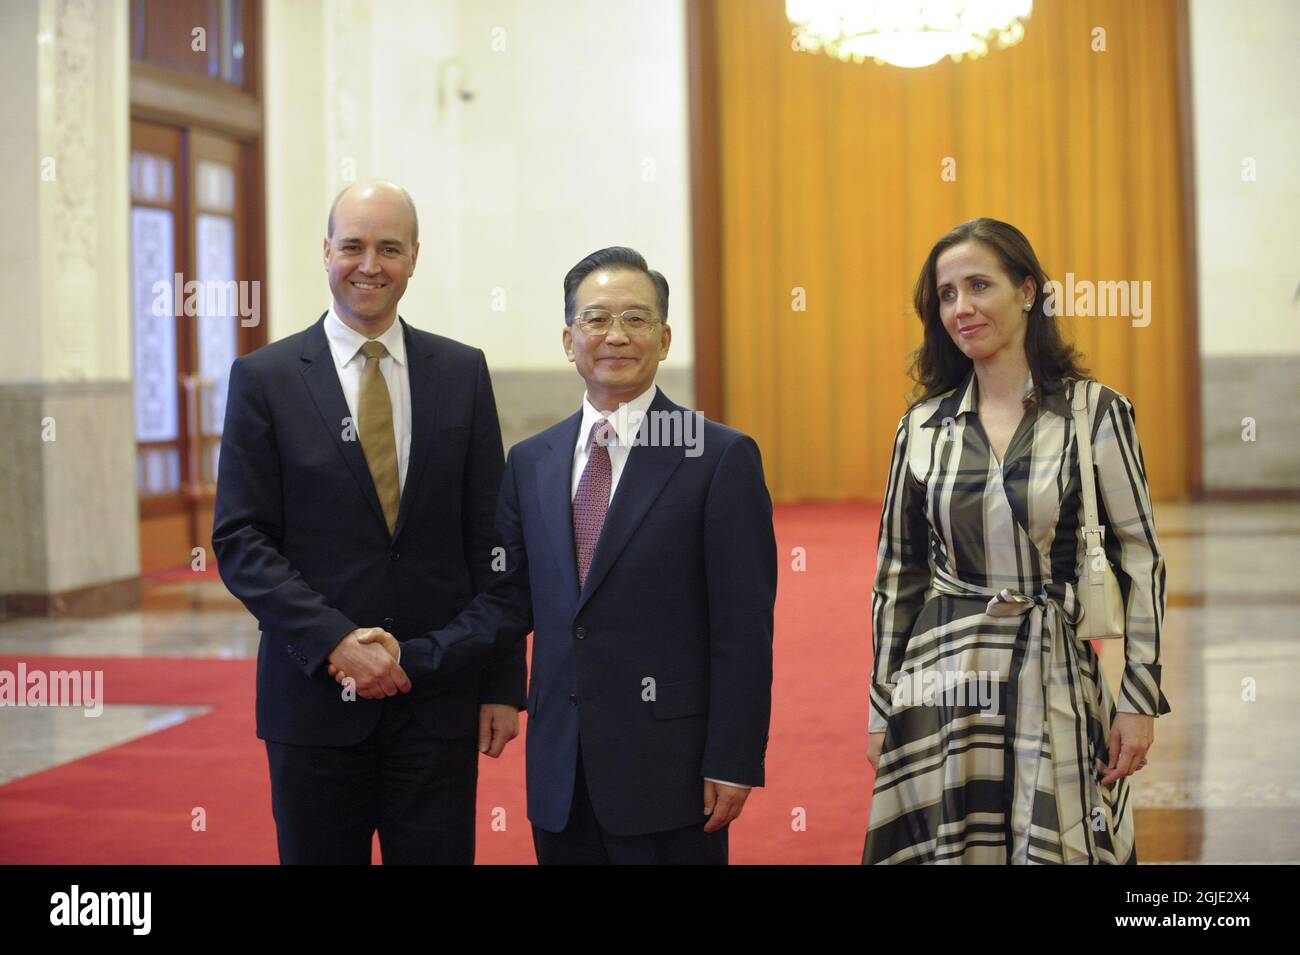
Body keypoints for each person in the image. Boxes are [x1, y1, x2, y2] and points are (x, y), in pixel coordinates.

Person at [340, 246, 777, 864]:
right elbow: (506, 601)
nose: (616, 336)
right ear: (569, 339)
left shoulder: (717, 456)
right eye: (596, 319)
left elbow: (743, 627)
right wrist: (412, 653)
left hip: (669, 769)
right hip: (561, 773)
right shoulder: (532, 461)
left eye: (636, 319)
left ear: (665, 337)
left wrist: (734, 758)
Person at [213, 180, 524, 864]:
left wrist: (502, 682)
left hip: (438, 698)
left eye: (389, 247)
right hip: (314, 700)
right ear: (326, 251)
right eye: (352, 246)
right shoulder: (265, 379)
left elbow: (491, 544)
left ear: (414, 257)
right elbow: (241, 538)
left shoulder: (462, 372)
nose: (369, 264)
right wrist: (335, 642)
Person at [863, 217, 1169, 865]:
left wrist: (1140, 700)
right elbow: (897, 575)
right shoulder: (921, 425)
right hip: (941, 674)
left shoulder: (1096, 413)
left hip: (1052, 667)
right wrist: (881, 704)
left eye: (980, 285)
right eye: (946, 294)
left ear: (1028, 291)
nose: (962, 307)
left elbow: (1140, 558)